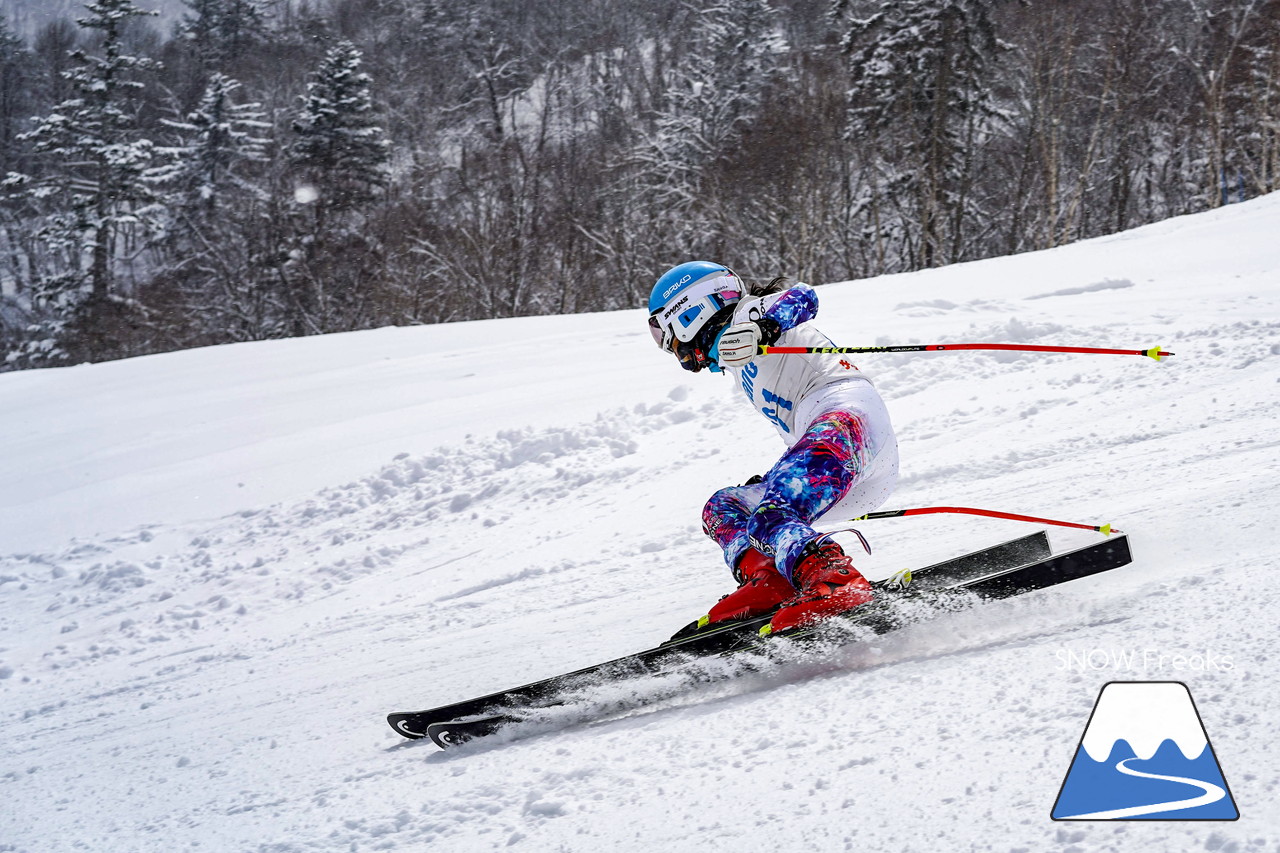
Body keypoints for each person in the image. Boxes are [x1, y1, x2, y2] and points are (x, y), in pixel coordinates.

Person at [646, 260, 900, 635]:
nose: (674, 348)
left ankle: (836, 581)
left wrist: (762, 328)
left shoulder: (748, 315)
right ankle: (772, 580)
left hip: (850, 427)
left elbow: (803, 297)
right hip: (836, 467)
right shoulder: (734, 357)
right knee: (723, 507)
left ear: (689, 312)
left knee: (773, 513)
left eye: (666, 333)